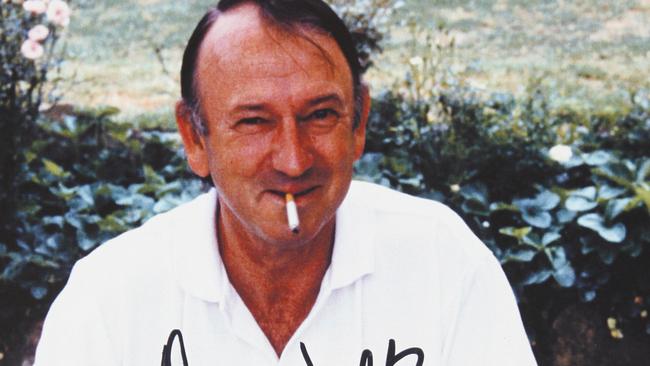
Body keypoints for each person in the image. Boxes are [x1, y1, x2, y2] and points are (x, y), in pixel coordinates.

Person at [34, 0, 538, 365]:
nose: (294, 161)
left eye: (320, 115)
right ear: (195, 137)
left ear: (359, 122)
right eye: (254, 121)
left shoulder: (442, 263)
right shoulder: (110, 299)